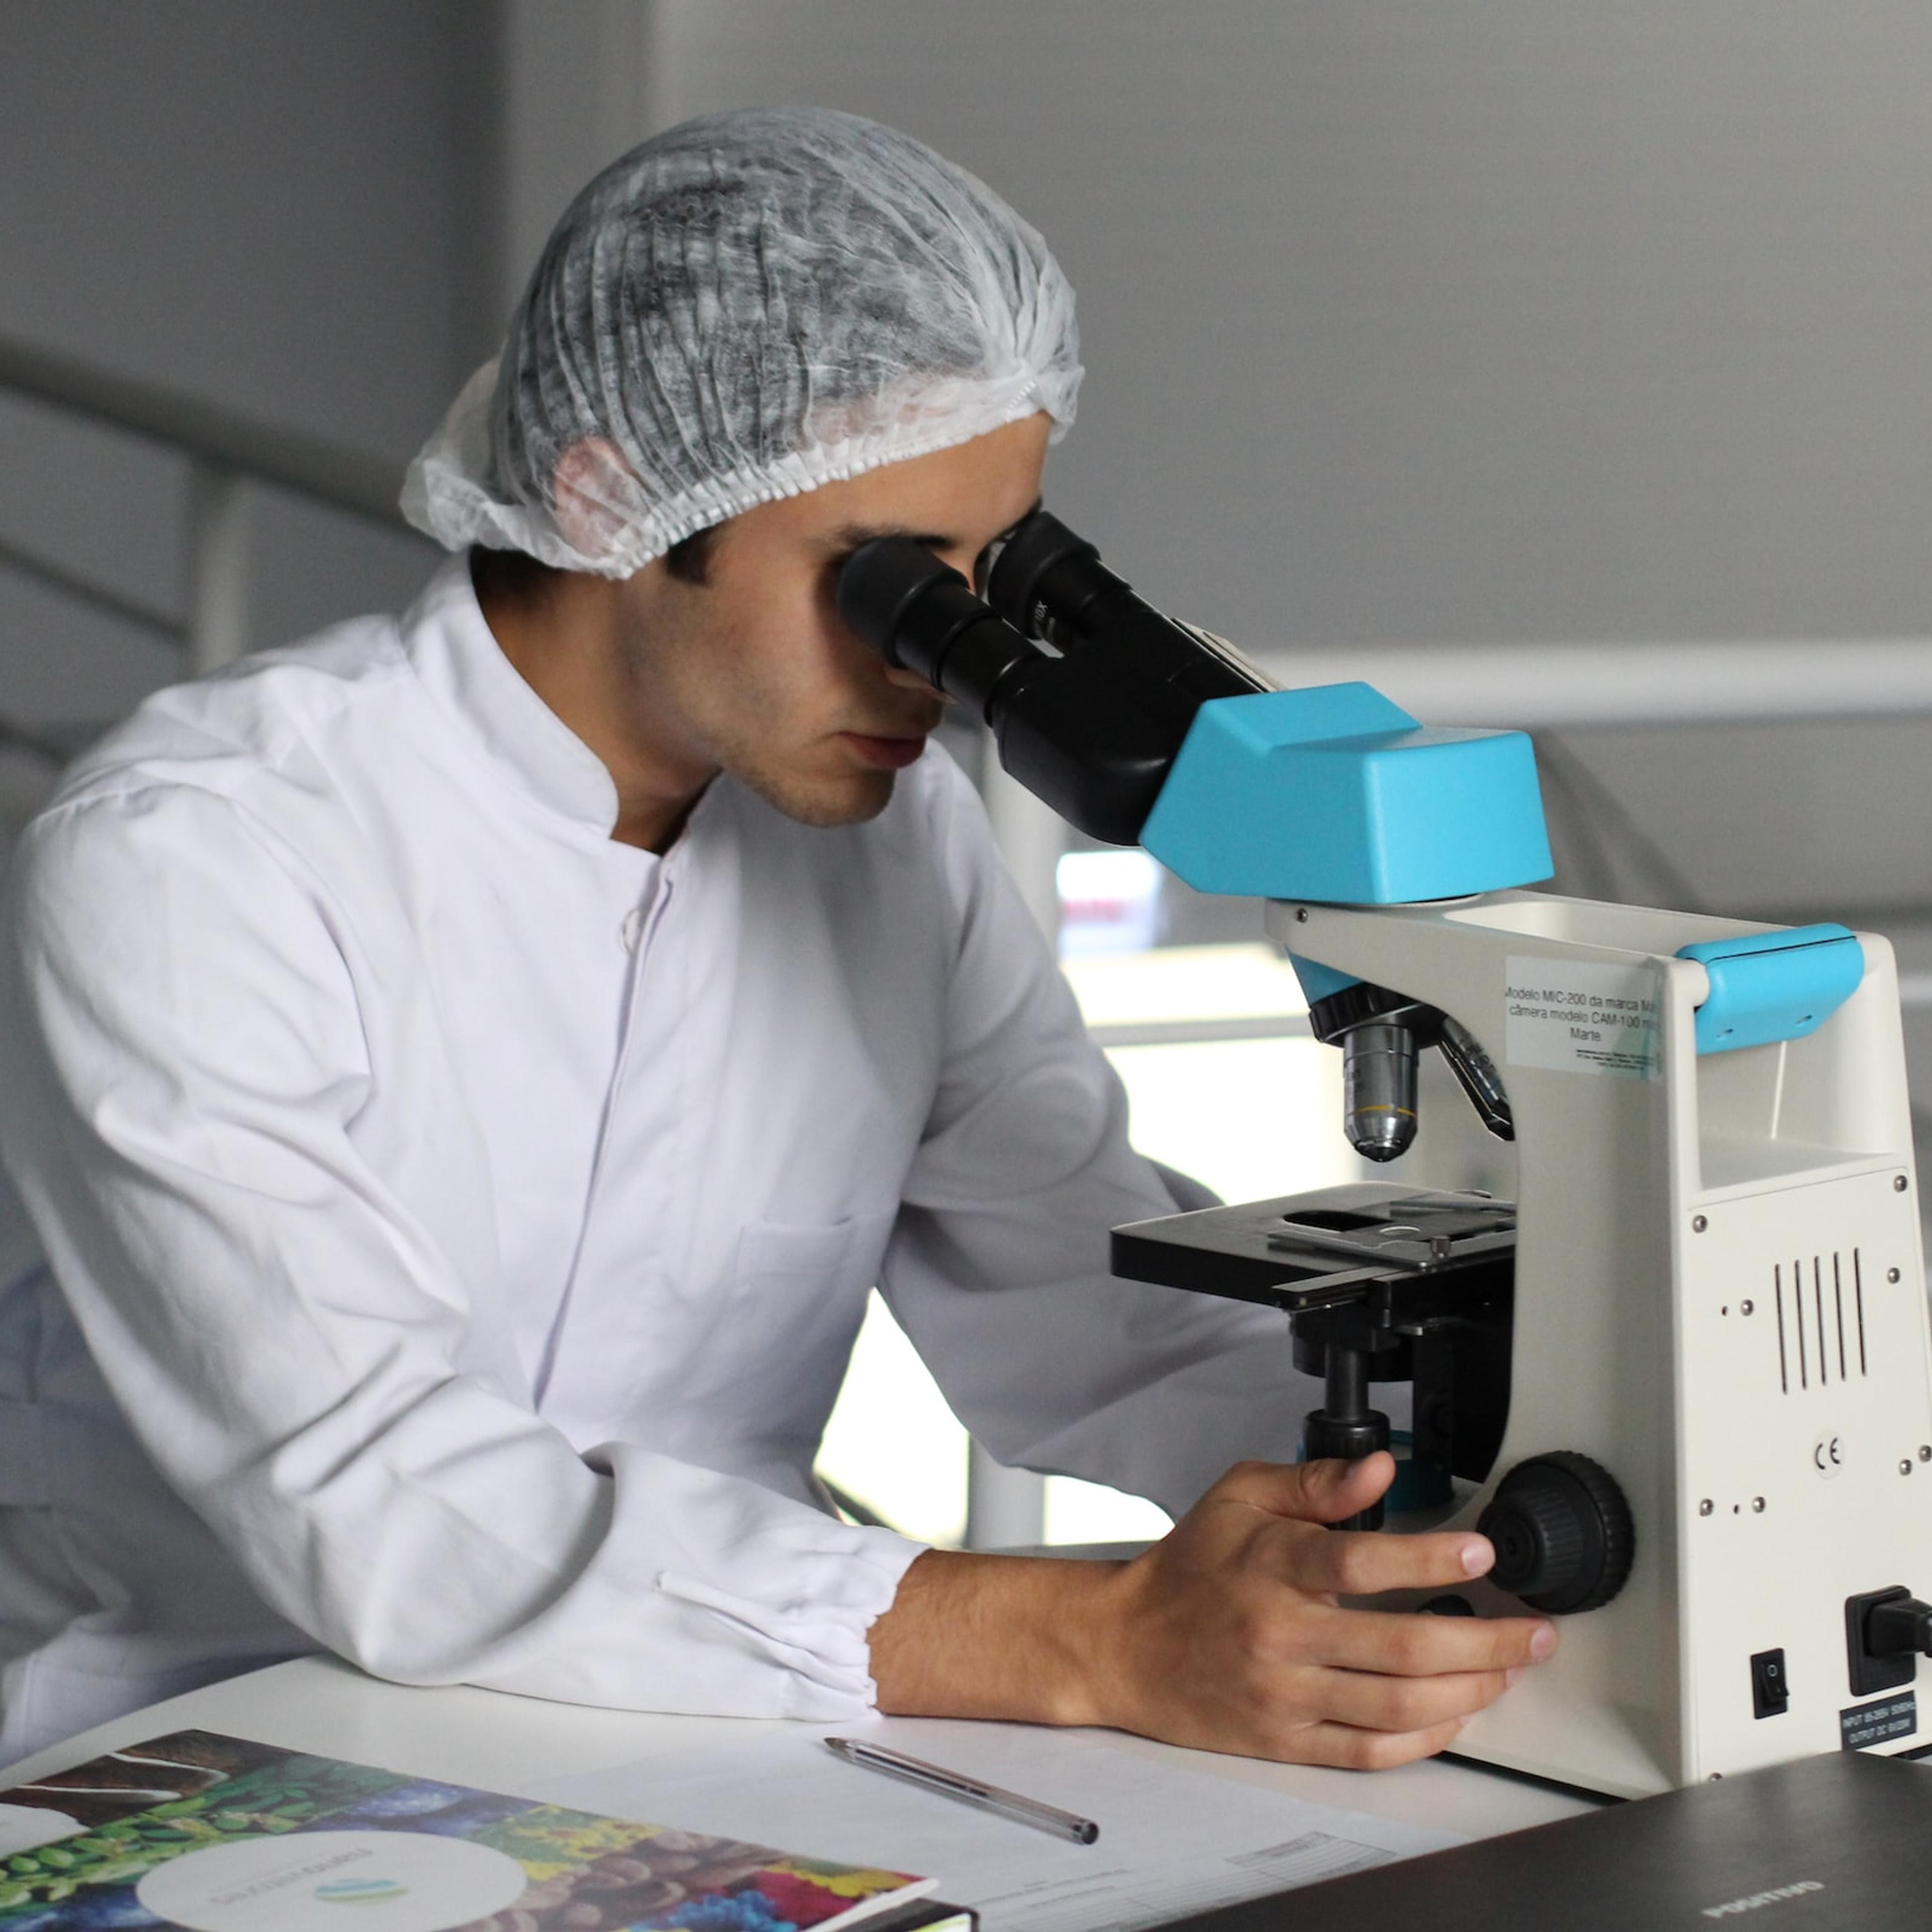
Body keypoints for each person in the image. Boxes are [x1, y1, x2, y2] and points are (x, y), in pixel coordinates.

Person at [0, 107, 1554, 1769]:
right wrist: (1094, 1642)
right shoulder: (200, 857)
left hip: (719, 1730)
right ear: (616, 490)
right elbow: (383, 1501)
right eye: (885, 581)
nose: (934, 665)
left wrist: (1446, 1483)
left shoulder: (901, 852)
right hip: (205, 1744)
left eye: (990, 574)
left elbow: (1094, 1314)